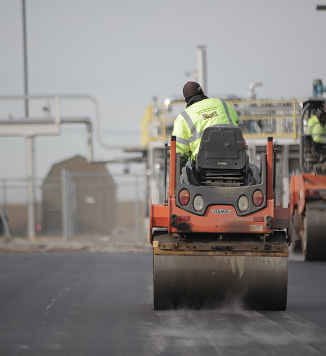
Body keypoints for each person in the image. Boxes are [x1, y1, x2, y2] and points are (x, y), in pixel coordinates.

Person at [172, 81, 240, 167]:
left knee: (187, 167)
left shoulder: (183, 117)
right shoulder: (223, 104)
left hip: (203, 167)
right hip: (235, 160)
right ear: (202, 93)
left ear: (186, 100)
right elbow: (236, 123)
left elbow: (179, 152)